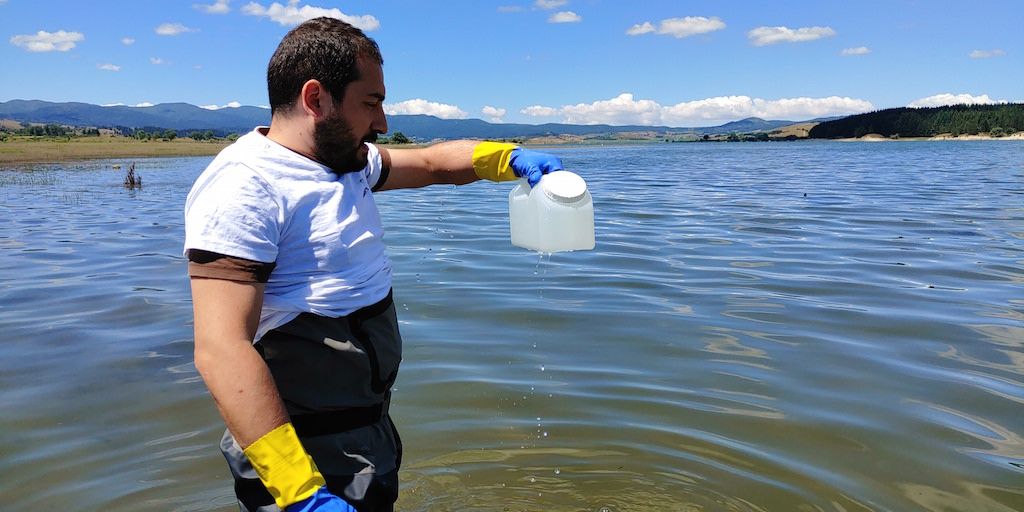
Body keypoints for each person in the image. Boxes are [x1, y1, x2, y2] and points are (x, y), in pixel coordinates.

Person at [184, 16, 564, 512]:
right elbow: (221, 350)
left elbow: (430, 165)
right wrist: (299, 493)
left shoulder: (344, 162)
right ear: (316, 99)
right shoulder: (245, 189)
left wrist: (504, 157)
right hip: (305, 456)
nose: (382, 122)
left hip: (362, 433)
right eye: (371, 103)